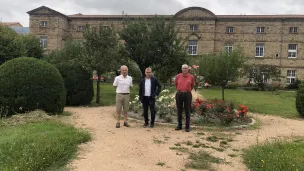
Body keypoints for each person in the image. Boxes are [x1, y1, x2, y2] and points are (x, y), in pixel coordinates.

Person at [174, 64, 195, 132]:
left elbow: (192, 85)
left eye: (186, 68)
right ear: (181, 69)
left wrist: (187, 90)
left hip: (187, 94)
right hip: (179, 94)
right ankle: (179, 125)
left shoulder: (191, 77)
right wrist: (180, 90)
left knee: (187, 110)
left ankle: (187, 126)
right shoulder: (178, 76)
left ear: (188, 69)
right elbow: (176, 84)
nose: (185, 69)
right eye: (183, 68)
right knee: (179, 110)